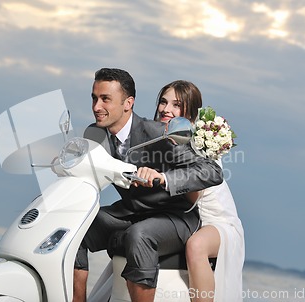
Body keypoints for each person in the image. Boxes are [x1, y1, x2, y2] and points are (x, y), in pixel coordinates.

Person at [73, 69, 224, 302]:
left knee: (139, 235)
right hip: (132, 211)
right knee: (76, 227)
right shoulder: (96, 135)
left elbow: (211, 171)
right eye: (94, 98)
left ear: (128, 103)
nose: (96, 107)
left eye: (105, 99)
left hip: (174, 216)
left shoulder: (160, 134)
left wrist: (164, 178)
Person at [154, 80, 245, 302]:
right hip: (185, 219)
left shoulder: (199, 142)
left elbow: (193, 196)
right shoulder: (155, 139)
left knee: (196, 246)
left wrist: (165, 175)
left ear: (190, 111)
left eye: (176, 105)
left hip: (217, 223)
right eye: (163, 102)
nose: (166, 109)